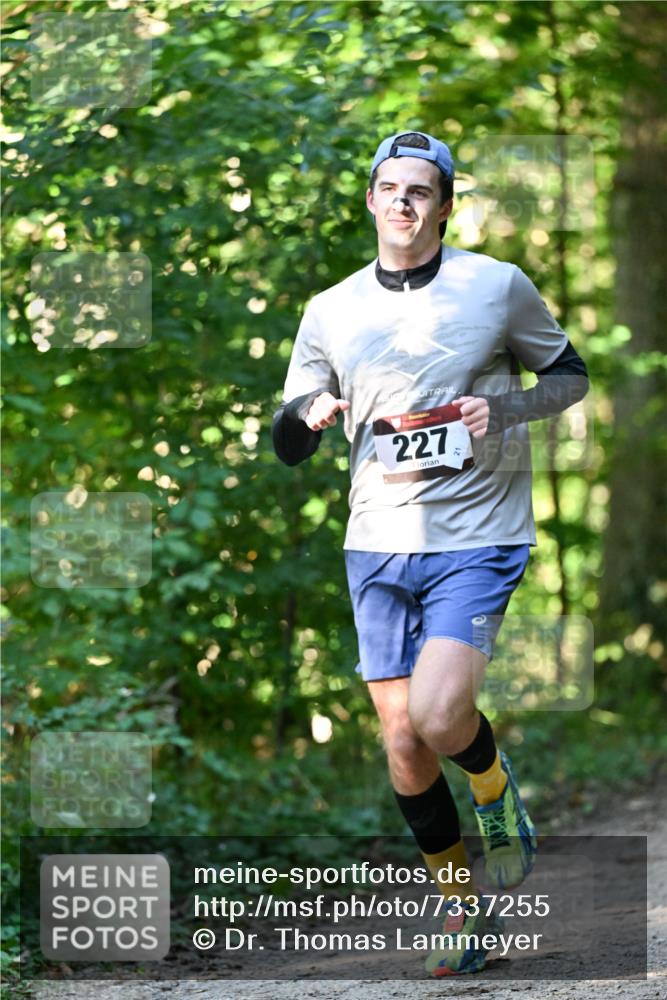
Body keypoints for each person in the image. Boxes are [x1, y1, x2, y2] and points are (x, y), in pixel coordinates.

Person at [272, 131, 589, 976]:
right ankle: (461, 914)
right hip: (375, 541)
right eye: (389, 189)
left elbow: (570, 378)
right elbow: (287, 438)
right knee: (403, 741)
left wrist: (509, 410)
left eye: (421, 190)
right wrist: (305, 418)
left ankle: (493, 789)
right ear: (370, 201)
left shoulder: (496, 287)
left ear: (446, 205)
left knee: (440, 717)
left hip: (476, 535)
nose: (404, 203)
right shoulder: (330, 309)